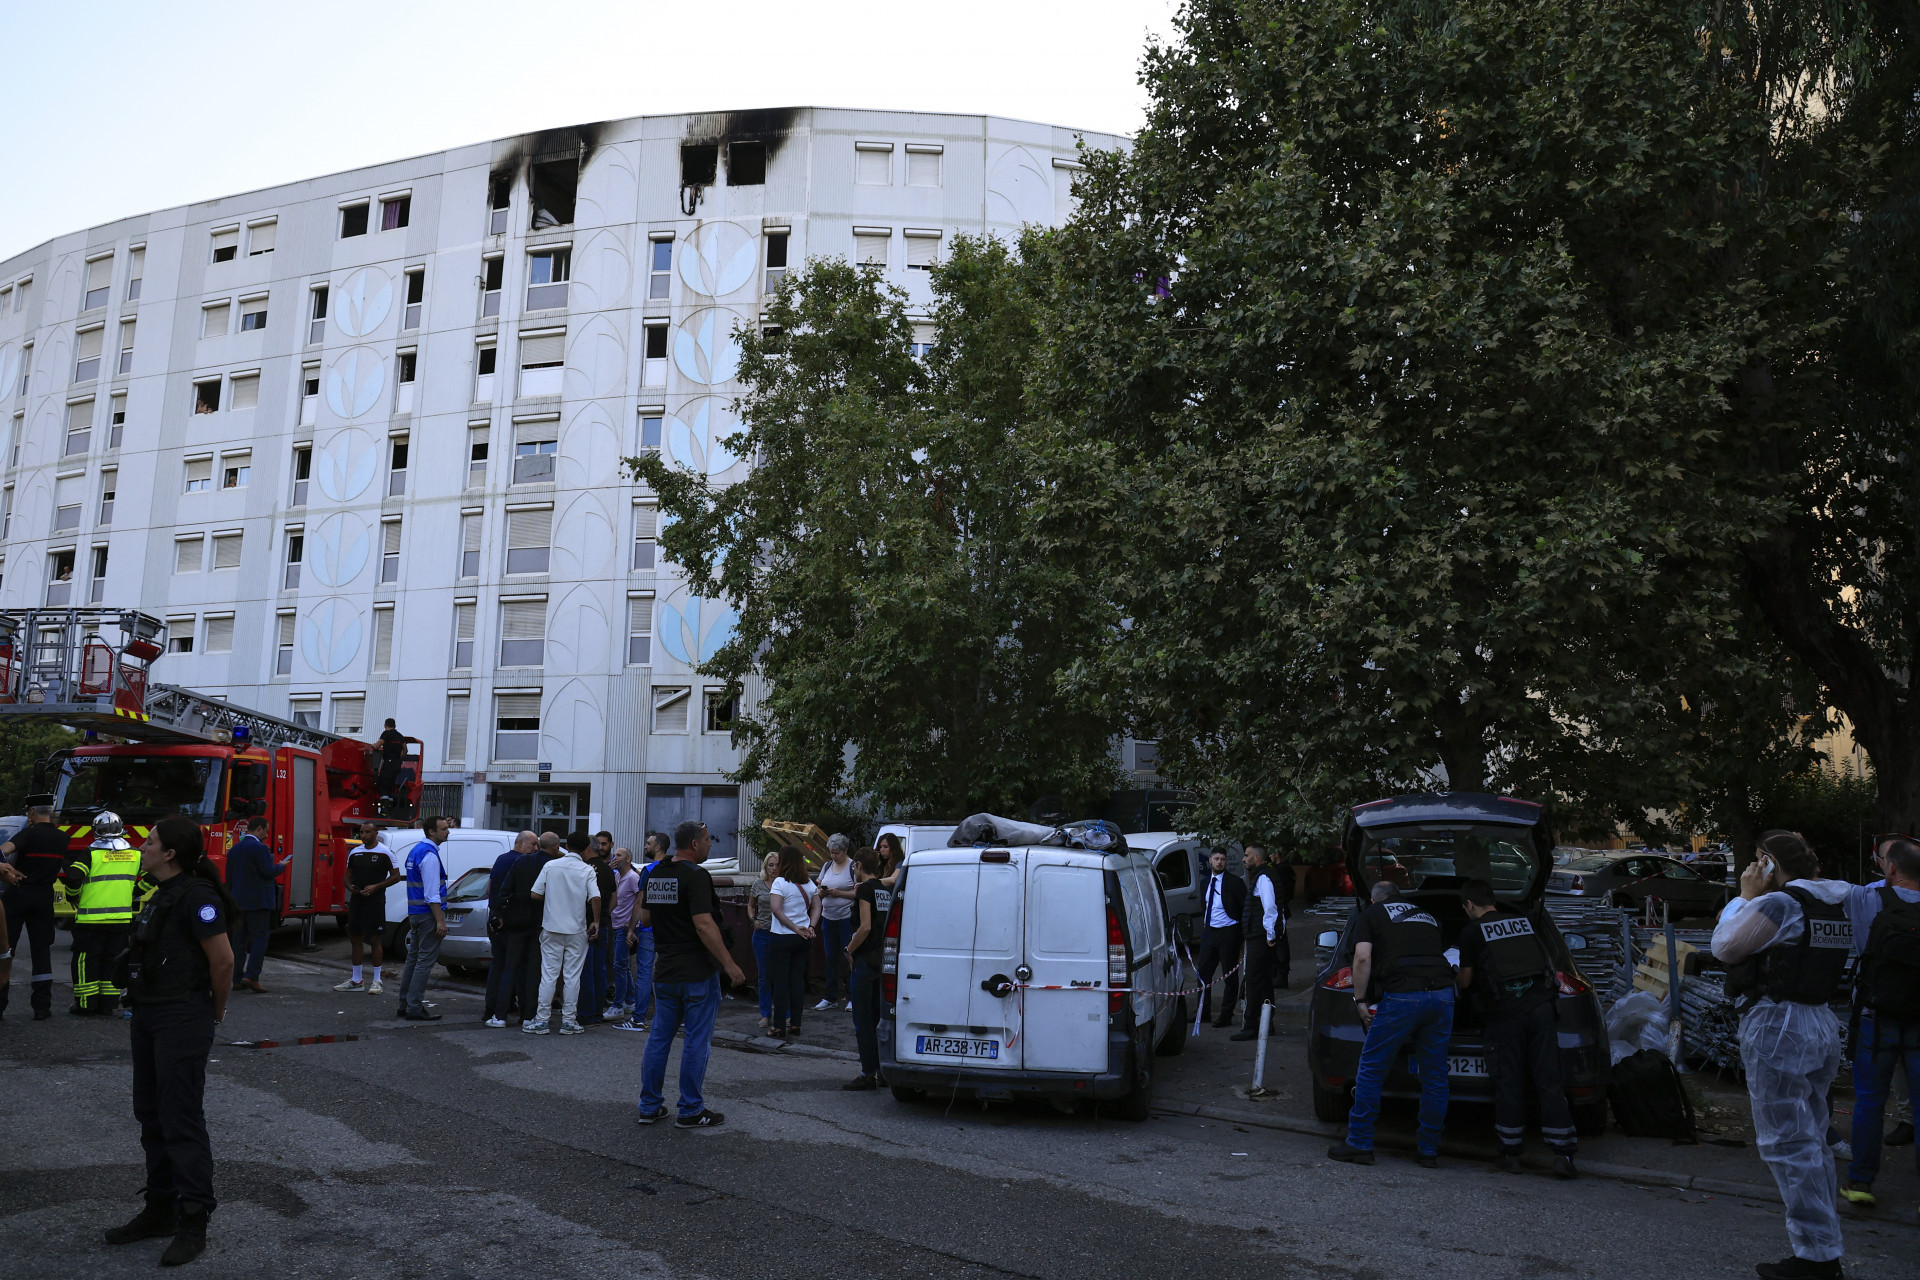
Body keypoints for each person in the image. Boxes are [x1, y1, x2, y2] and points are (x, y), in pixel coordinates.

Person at [1712, 830, 1854, 1280]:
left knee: (1788, 1145)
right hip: (1818, 1023)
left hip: (1779, 1027)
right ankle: (1823, 1249)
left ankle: (1816, 1260)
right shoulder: (1835, 903)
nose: (1754, 869)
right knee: (1811, 1139)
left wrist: (1743, 897)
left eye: (1759, 861)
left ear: (1770, 863)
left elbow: (1726, 947)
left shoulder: (1780, 904)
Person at [102, 816, 234, 1267]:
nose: (144, 845)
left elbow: (223, 960)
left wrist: (214, 1011)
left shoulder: (197, 896)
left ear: (170, 853)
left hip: (182, 1015)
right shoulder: (161, 894)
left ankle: (193, 1220)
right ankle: (160, 1210)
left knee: (180, 1118)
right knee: (151, 1113)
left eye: (151, 841)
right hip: (150, 1012)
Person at [1328, 881, 1454, 1169]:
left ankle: (1359, 1143)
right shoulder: (1427, 915)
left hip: (1403, 997)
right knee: (1435, 1076)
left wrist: (1360, 999)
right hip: (1443, 995)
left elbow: (1362, 958)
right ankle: (1428, 1151)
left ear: (1374, 900)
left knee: (1371, 1069)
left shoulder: (1370, 915)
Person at [1456, 879, 1577, 1178]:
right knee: (1548, 1079)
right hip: (1540, 1009)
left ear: (1469, 905)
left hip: (1505, 1014)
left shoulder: (1472, 932)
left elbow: (1467, 981)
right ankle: (1563, 1155)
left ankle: (1511, 1154)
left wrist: (1453, 979)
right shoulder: (1523, 923)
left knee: (1509, 1081)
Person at [636, 820, 745, 1129]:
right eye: (708, 840)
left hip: (666, 970)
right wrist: (729, 964)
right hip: (697, 971)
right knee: (697, 1040)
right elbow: (704, 925)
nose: (711, 845)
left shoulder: (657, 873)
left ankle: (649, 1106)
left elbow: (645, 917)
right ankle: (691, 1110)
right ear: (694, 843)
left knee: (659, 1038)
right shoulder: (697, 876)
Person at [1839, 835, 1920, 1214]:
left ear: (1890, 869)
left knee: (1869, 1102)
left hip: (1875, 1016)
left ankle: (1860, 1182)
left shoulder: (1867, 898)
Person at [59, 811, 141, 1015]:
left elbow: (73, 877)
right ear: (122, 829)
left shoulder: (91, 853)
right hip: (121, 920)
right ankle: (108, 1004)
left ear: (95, 831)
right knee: (113, 960)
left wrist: (72, 896)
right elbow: (153, 877)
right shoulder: (135, 853)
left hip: (90, 920)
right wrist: (135, 892)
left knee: (86, 961)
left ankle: (86, 1004)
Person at [0, 801, 74, 1021]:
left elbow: (3, 852)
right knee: (41, 951)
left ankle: (0, 1005)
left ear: (32, 813)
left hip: (18, 894)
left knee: (6, 950)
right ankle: (42, 1007)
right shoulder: (63, 838)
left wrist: (8, 869)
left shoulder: (27, 835)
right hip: (43, 897)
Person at [526, 829, 600, 1035]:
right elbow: (595, 897)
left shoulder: (550, 866)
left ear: (566, 847)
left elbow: (534, 894)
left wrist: (552, 899)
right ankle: (569, 1021)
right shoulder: (587, 870)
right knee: (572, 977)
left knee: (549, 975)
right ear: (586, 848)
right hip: (577, 929)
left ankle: (541, 1020)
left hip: (552, 927)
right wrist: (596, 921)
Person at [497, 831, 557, 1027]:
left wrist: (503, 914)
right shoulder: (553, 866)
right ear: (555, 847)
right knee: (534, 971)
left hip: (517, 922)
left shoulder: (521, 862)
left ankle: (500, 1015)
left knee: (510, 968)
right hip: (541, 923)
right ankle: (528, 1015)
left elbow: (504, 891)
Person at [843, 847, 891, 1089]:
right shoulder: (883, 890)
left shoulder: (864, 889)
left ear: (859, 865)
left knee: (862, 1019)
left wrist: (849, 949)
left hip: (864, 961)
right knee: (877, 1019)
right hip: (881, 961)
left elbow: (865, 927)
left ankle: (866, 1074)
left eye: (854, 866)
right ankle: (881, 1072)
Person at [396, 816, 452, 1022]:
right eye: (444, 829)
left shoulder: (416, 851)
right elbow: (432, 894)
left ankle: (405, 1003)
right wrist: (440, 921)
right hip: (428, 914)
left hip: (415, 913)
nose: (448, 832)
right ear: (431, 832)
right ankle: (414, 1007)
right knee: (424, 962)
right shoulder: (429, 855)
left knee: (413, 959)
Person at [224, 817, 288, 995]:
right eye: (266, 831)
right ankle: (252, 976)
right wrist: (281, 866)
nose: (267, 835)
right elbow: (268, 872)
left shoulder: (235, 849)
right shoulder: (260, 849)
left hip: (238, 902)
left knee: (239, 942)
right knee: (259, 939)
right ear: (259, 829)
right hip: (259, 902)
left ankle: (236, 979)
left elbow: (229, 878)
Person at [334, 822, 399, 995]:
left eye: (367, 832)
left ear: (376, 833)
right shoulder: (355, 852)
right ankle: (356, 980)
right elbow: (346, 877)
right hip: (357, 901)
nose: (363, 835)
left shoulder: (385, 852)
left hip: (376, 901)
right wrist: (351, 888)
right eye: (361, 832)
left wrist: (376, 886)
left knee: (374, 939)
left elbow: (396, 877)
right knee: (355, 937)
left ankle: (377, 980)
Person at [613, 833, 669, 1033]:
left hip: (648, 928)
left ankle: (638, 1019)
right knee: (668, 974)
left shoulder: (649, 871)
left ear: (659, 847)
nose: (645, 846)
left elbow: (640, 902)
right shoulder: (674, 870)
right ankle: (672, 1017)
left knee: (645, 973)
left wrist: (631, 929)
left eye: (649, 844)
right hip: (669, 929)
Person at [481, 831, 537, 1026]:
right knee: (517, 966)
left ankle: (492, 1008)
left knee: (499, 964)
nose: (536, 849)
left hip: (495, 919)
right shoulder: (522, 863)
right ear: (521, 843)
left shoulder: (500, 859)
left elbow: (489, 889)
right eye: (533, 844)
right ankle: (519, 1010)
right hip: (512, 922)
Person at [1232, 844, 1284, 1041]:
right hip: (1261, 936)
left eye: (1246, 856)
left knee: (1254, 981)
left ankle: (1252, 1026)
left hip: (1260, 938)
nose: (1244, 859)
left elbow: (1270, 908)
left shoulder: (1263, 877)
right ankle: (1266, 1023)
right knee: (1263, 982)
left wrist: (1270, 935)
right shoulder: (1266, 875)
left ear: (1257, 858)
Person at [766, 846, 819, 1037]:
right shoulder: (809, 883)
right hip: (804, 939)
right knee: (797, 981)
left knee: (780, 982)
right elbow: (817, 906)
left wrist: (794, 928)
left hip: (782, 937)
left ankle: (778, 1026)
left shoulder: (780, 882)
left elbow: (776, 909)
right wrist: (810, 927)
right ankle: (796, 1024)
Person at [1193, 850, 1246, 1027]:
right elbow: (1204, 905)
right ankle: (1202, 1010)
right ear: (1210, 861)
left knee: (1229, 975)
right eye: (1216, 859)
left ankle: (1226, 1014)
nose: (1220, 862)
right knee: (1203, 973)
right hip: (1210, 932)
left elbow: (1243, 908)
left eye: (1223, 859)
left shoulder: (1235, 882)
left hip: (1229, 932)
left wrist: (1241, 934)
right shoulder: (1205, 882)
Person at [575, 832, 618, 1026]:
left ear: (586, 848)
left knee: (586, 970)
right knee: (601, 969)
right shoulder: (608, 869)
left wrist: (594, 918)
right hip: (604, 925)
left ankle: (586, 1013)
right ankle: (598, 1011)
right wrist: (603, 917)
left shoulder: (584, 869)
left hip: (587, 924)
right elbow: (615, 897)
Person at [814, 833, 858, 1010]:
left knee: (849, 955)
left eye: (837, 853)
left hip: (846, 917)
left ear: (845, 851)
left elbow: (858, 892)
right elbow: (818, 887)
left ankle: (852, 996)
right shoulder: (827, 866)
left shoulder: (852, 866)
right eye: (831, 853)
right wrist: (822, 892)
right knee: (830, 957)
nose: (834, 856)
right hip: (828, 917)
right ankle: (830, 997)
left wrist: (840, 894)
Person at [607, 846, 643, 1025]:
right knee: (624, 966)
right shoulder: (618, 876)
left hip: (624, 926)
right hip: (616, 924)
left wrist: (633, 928)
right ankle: (630, 1001)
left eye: (619, 855)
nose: (615, 857)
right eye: (615, 855)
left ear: (628, 859)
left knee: (619, 966)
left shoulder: (633, 877)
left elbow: (640, 901)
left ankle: (618, 1005)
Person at [746, 851, 779, 1034]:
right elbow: (750, 905)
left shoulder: (784, 884)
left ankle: (785, 1012)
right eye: (771, 865)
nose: (774, 869)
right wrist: (753, 920)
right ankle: (765, 1014)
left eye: (777, 865)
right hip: (762, 932)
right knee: (764, 975)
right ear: (765, 867)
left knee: (780, 973)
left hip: (780, 933)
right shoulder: (758, 885)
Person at [375, 718, 407, 802]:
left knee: (383, 785)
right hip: (396, 764)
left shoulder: (386, 734)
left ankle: (384, 810)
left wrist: (372, 746)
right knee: (390, 786)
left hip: (388, 763)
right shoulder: (400, 736)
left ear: (385, 725)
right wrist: (400, 760)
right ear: (395, 726)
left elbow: (377, 746)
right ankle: (390, 807)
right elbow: (405, 750)